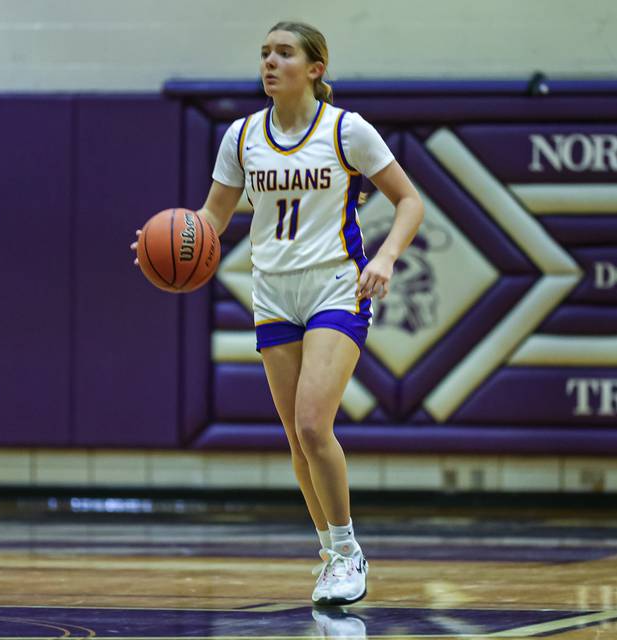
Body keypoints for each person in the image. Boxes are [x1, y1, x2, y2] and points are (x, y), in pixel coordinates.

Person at [132, 21, 423, 605]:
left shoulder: (347, 130)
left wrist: (387, 257)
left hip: (336, 287)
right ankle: (332, 555)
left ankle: (348, 550)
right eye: (265, 52)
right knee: (295, 437)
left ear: (315, 68)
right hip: (272, 292)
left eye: (284, 53)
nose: (270, 61)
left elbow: (409, 200)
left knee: (316, 424)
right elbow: (210, 221)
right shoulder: (241, 137)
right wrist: (166, 243)